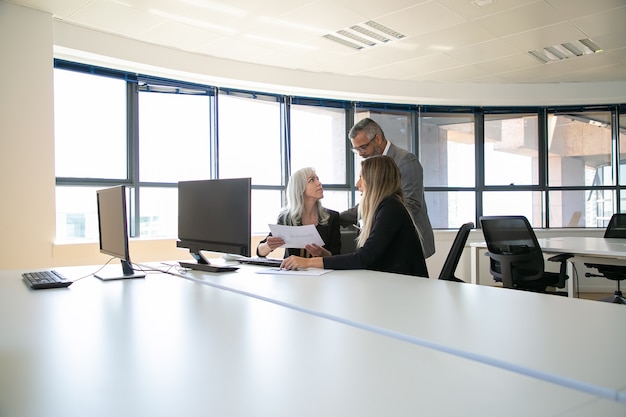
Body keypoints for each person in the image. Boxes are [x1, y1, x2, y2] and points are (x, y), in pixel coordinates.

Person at [280, 155, 428, 277]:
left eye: (361, 177)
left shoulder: (390, 207)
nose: (357, 184)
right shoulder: (387, 206)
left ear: (374, 180)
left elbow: (364, 258)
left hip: (407, 290)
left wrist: (308, 262)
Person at [340, 118, 435, 258]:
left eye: (363, 147)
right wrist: (338, 218)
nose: (360, 154)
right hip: (388, 240)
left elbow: (412, 204)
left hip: (408, 241)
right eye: (356, 149)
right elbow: (371, 201)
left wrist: (379, 221)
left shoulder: (405, 160)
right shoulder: (374, 166)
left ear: (377, 139)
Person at [257, 167, 341, 258]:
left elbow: (336, 256)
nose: (319, 183)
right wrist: (268, 246)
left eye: (318, 179)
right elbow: (260, 252)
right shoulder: (286, 217)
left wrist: (322, 253)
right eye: (312, 180)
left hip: (321, 271)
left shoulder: (332, 217)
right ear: (299, 188)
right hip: (292, 271)